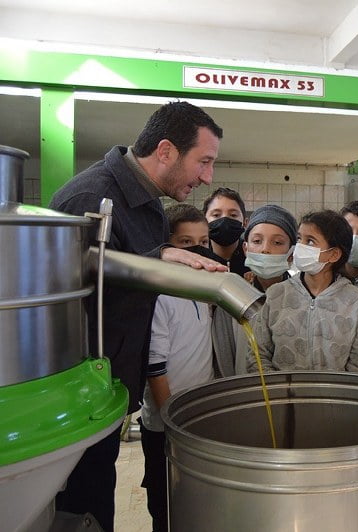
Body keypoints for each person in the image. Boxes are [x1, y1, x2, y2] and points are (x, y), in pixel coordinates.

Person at [50, 101, 226, 531]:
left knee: (98, 500)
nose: (208, 177)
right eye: (203, 162)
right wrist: (157, 258)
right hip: (78, 400)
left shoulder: (146, 201)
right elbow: (66, 301)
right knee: (82, 511)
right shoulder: (91, 198)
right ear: (165, 151)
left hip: (109, 391)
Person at [139, 204, 217, 532]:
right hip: (166, 424)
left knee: (195, 498)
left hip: (197, 416)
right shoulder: (160, 295)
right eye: (186, 243)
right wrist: (173, 423)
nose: (197, 249)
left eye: (203, 240)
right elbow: (155, 369)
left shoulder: (200, 289)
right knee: (165, 501)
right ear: (167, 248)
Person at [249, 210, 358, 372]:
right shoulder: (276, 294)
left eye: (310, 242)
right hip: (283, 394)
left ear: (333, 254)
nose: (300, 247)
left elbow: (357, 361)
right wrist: (277, 392)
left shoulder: (355, 300)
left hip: (332, 394)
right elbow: (258, 354)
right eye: (299, 239)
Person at [211, 204, 297, 377]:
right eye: (257, 241)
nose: (265, 248)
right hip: (244, 395)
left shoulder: (302, 300)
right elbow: (224, 357)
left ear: (291, 254)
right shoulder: (233, 298)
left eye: (277, 242)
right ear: (246, 248)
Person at [202, 186, 249, 276]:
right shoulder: (197, 258)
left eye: (233, 215)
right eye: (216, 215)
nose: (224, 220)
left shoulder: (253, 260)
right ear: (204, 221)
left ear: (245, 223)